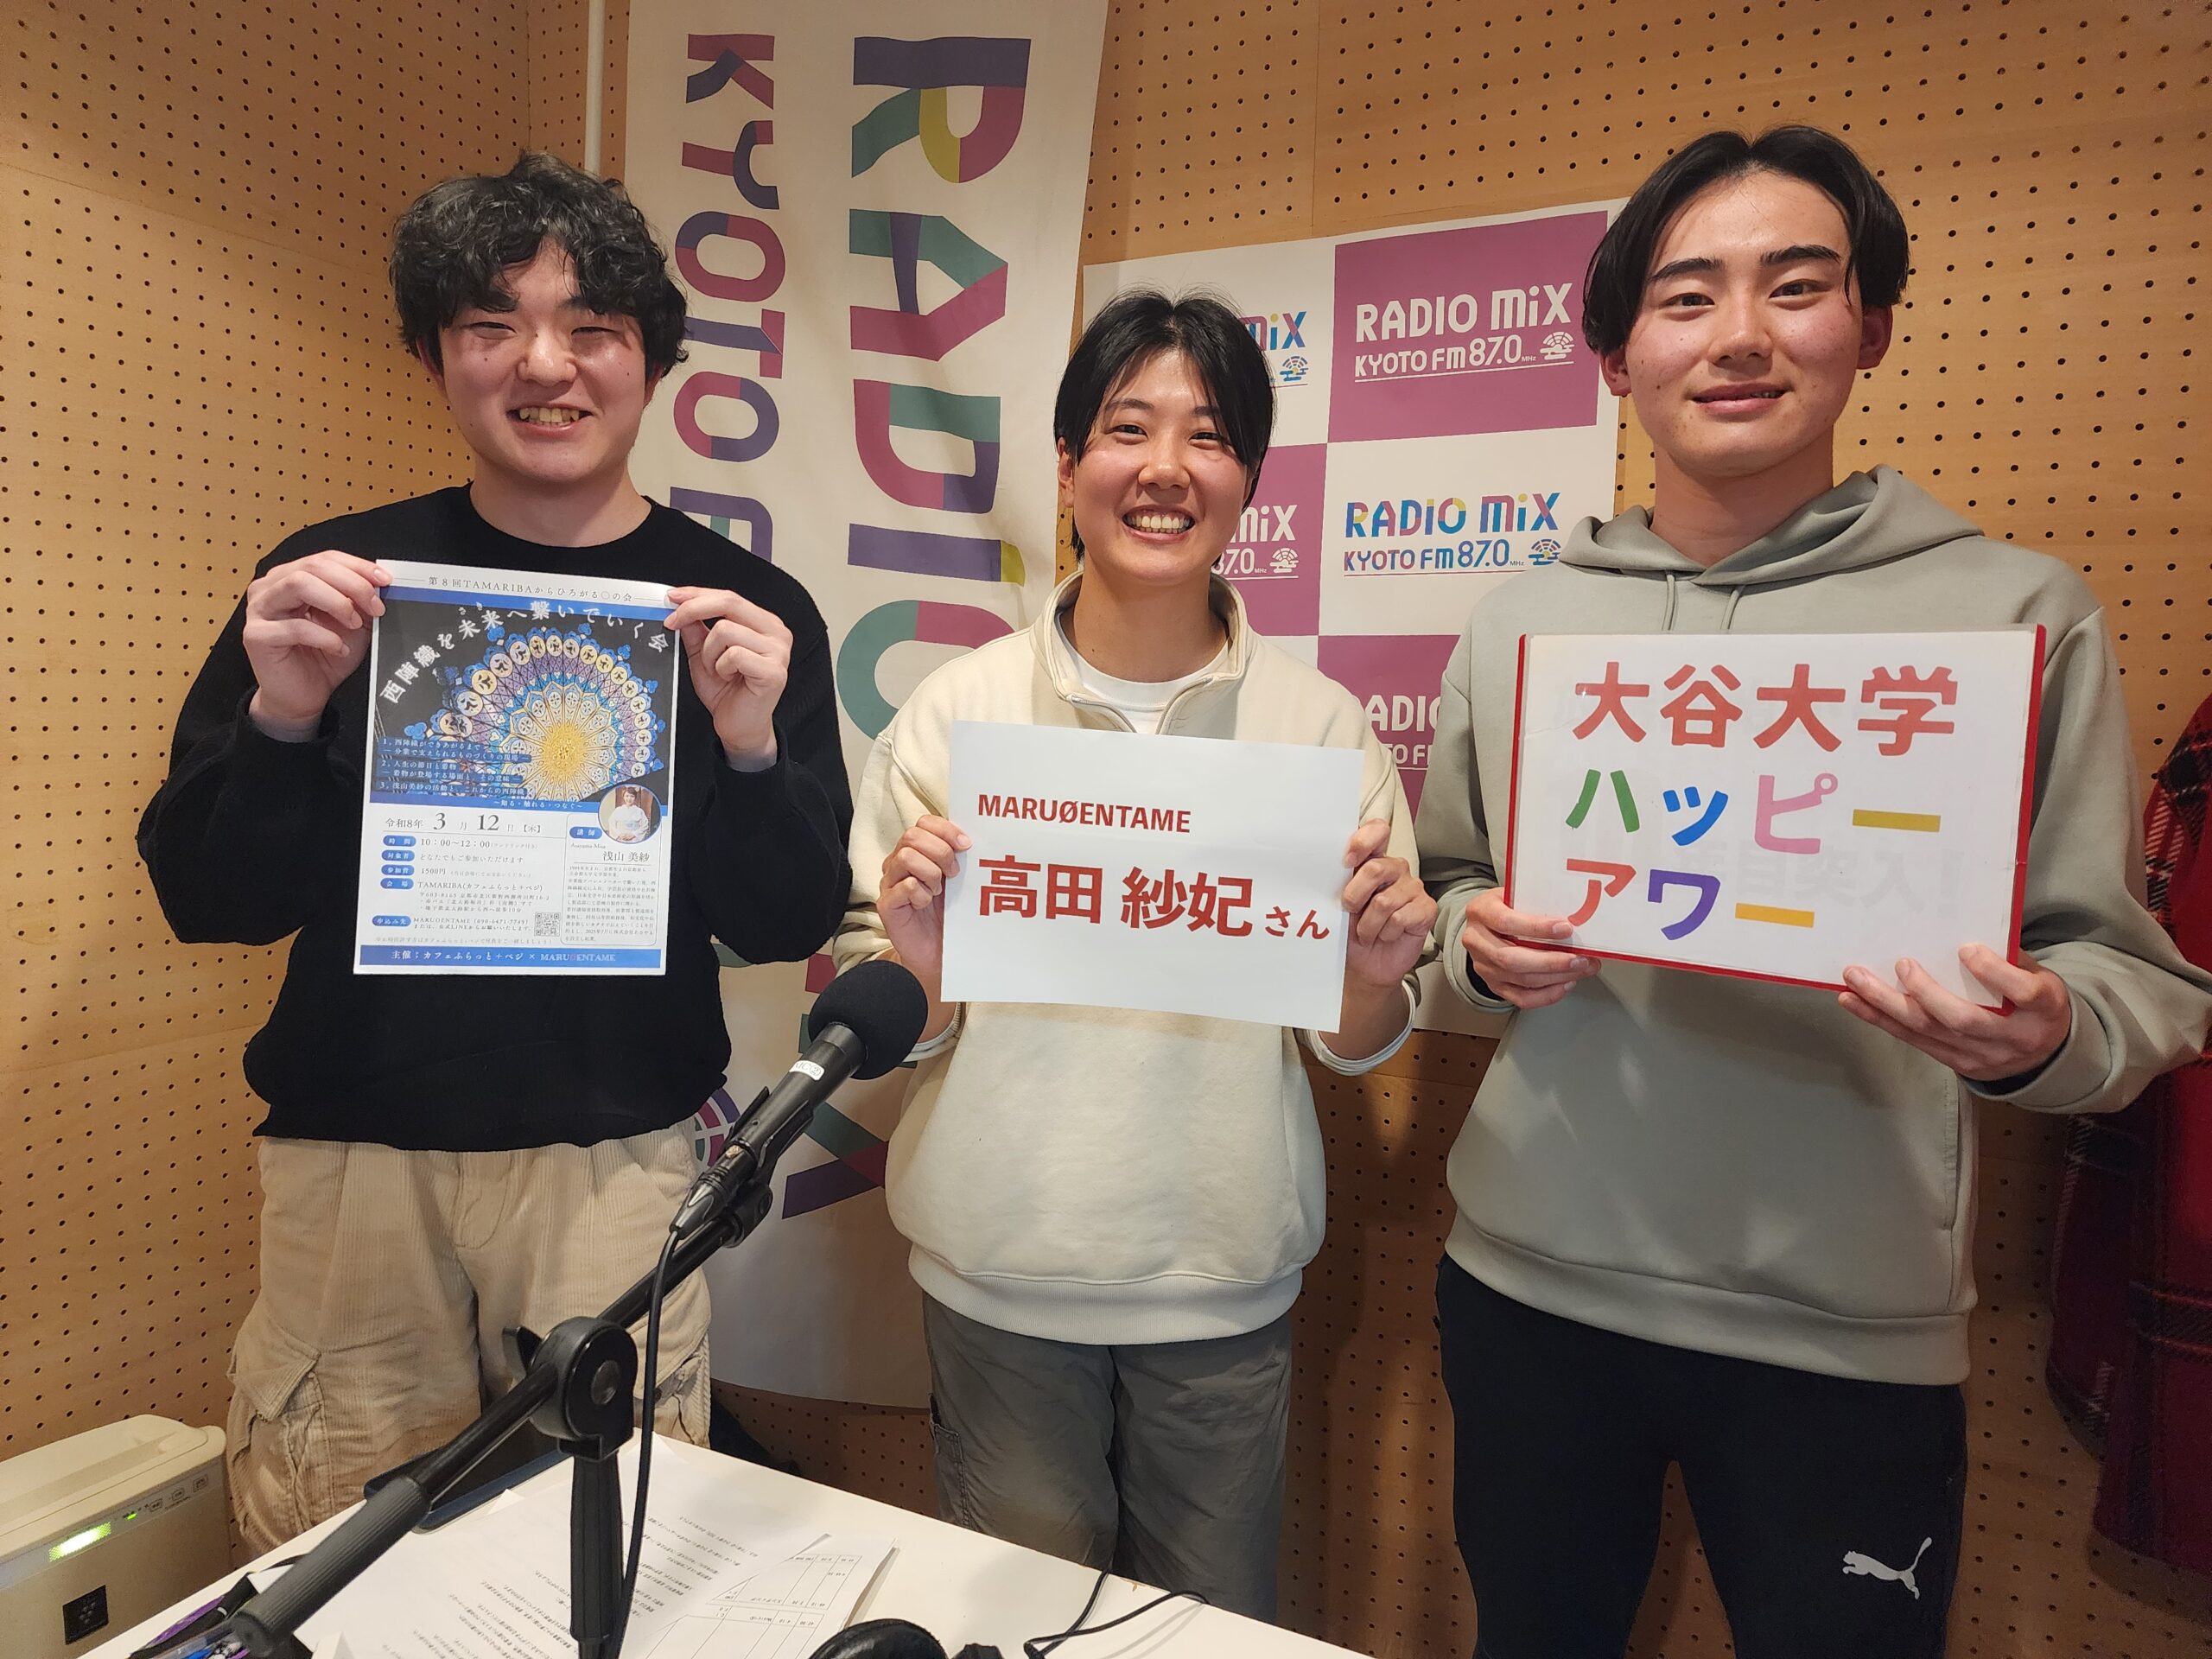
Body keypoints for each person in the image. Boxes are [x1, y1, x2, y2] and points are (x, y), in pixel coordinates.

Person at [1416, 126, 2212, 1658]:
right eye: (1686, 296)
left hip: (1849, 1331)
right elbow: (1445, 899)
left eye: (1795, 287)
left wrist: (2046, 1034)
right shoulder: (1522, 621)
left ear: (1873, 328)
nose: (1740, 335)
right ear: (1616, 355)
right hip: (1525, 1286)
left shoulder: (2014, 612)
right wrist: (1469, 943)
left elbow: (2130, 983)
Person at [138, 153, 852, 1551]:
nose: (544, 364)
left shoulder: (742, 610)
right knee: (337, 1556)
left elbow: (784, 920)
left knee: (610, 1558)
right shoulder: (337, 587)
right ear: (431, 357)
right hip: (358, 1161)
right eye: (489, 325)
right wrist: (282, 715)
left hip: (617, 1162)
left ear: (652, 362)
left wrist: (752, 747)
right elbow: (208, 898)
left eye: (592, 327)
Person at [833, 290, 1435, 1621]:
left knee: (1204, 1632)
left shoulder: (1319, 727)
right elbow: (900, 1022)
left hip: (1222, 1279)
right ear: (1067, 466)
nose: (1166, 468)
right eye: (1126, 429)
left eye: (1207, 436)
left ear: (1248, 480)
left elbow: (1354, 1042)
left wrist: (1373, 972)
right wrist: (922, 957)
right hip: (998, 1270)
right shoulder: (956, 710)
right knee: (1018, 1627)